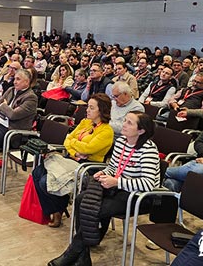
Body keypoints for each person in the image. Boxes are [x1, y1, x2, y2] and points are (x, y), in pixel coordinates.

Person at [47, 112, 160, 266]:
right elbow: (113, 167)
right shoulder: (121, 142)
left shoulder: (148, 150)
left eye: (129, 123)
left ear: (141, 131)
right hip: (118, 187)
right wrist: (104, 173)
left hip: (139, 196)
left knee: (96, 208)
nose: (123, 125)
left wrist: (117, 182)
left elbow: (148, 184)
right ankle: (83, 256)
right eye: (125, 120)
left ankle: (73, 252)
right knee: (81, 200)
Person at [33, 94, 114, 228]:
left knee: (44, 181)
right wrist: (75, 152)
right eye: (88, 106)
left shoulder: (107, 131)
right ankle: (55, 208)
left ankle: (58, 209)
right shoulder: (85, 122)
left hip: (89, 166)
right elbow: (67, 140)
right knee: (38, 172)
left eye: (91, 108)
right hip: (72, 159)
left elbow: (88, 148)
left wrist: (74, 144)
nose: (87, 110)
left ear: (101, 111)